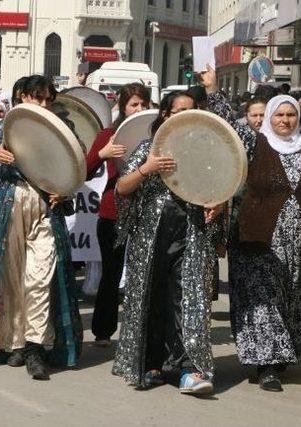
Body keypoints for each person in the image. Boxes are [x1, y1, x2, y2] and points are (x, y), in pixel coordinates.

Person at [210, 89, 301, 392]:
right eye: (279, 115)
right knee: (263, 303)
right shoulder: (252, 144)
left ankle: (281, 356)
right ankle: (267, 365)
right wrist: (214, 89)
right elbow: (224, 136)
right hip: (257, 242)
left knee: (294, 302)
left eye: (290, 115)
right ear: (268, 117)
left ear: (299, 118)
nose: (285, 120)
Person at [0, 75, 83, 381]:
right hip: (11, 203)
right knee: (11, 275)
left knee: (40, 279)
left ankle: (35, 348)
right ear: (22, 97)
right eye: (37, 97)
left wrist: (65, 191)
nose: (43, 104)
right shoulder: (5, 128)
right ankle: (12, 342)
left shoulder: (63, 130)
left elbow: (76, 172)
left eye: (47, 99)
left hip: (47, 210)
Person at [113, 84, 223, 395]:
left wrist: (219, 202)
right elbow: (122, 188)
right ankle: (152, 364)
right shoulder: (150, 147)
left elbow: (220, 185)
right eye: (179, 112)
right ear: (166, 114)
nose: (186, 117)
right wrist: (147, 169)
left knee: (188, 299)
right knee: (152, 295)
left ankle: (190, 368)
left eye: (192, 112)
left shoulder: (204, 150)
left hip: (191, 231)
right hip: (152, 233)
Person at [86, 83, 149, 347]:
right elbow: (84, 171)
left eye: (144, 104)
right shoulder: (109, 134)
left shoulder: (155, 132)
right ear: (122, 106)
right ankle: (103, 330)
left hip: (147, 212)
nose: (139, 109)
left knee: (143, 275)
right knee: (111, 275)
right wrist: (103, 153)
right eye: (134, 104)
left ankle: (141, 331)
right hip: (113, 213)